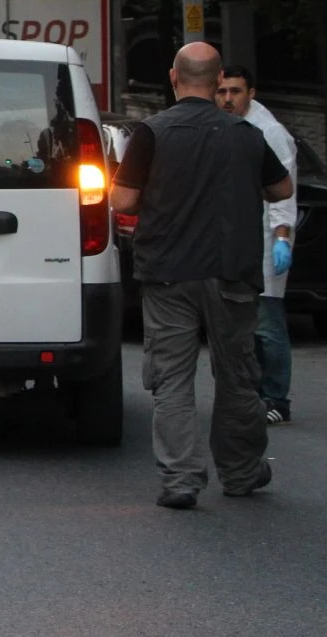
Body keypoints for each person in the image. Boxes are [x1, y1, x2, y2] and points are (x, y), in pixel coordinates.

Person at [111, 42, 294, 510]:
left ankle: (180, 480)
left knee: (171, 379)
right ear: (217, 83)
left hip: (169, 272)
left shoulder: (151, 133)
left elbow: (124, 202)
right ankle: (240, 472)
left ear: (173, 78)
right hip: (232, 272)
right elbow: (282, 188)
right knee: (237, 376)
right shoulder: (246, 134)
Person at [215, 65, 300, 424]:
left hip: (265, 243)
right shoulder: (221, 128)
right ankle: (251, 395)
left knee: (268, 326)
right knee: (242, 328)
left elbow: (284, 193)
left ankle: (277, 399)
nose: (228, 99)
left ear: (251, 93)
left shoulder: (271, 133)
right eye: (222, 92)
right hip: (233, 245)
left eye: (235, 91)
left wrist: (282, 238)